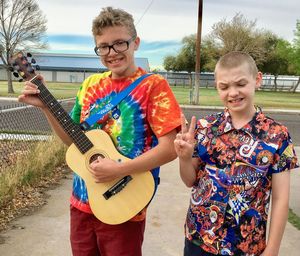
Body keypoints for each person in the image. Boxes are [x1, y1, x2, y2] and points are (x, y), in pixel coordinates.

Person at [18, 6, 181, 256]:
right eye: (103, 46)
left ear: (135, 42)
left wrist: (119, 169)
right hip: (81, 203)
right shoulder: (90, 85)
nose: (112, 52)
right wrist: (46, 108)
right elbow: (74, 142)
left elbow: (170, 149)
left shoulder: (153, 86)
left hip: (125, 204)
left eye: (119, 44)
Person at [174, 51, 298, 255]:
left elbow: (280, 199)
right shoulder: (205, 127)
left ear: (257, 80)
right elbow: (189, 180)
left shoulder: (278, 136)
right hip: (199, 239)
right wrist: (184, 158)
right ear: (217, 87)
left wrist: (273, 248)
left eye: (240, 84)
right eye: (224, 87)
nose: (232, 93)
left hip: (246, 246)